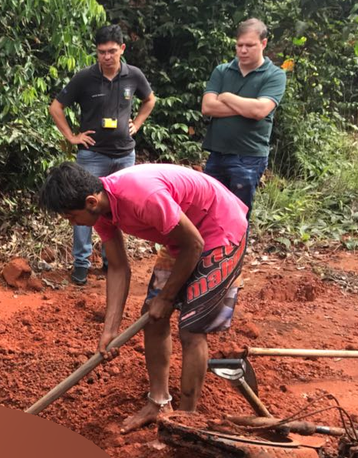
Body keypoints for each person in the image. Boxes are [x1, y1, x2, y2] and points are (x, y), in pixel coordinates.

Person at [39, 162, 249, 433]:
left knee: (192, 329)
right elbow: (117, 266)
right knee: (152, 316)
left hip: (219, 230)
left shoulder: (141, 196)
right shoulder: (102, 209)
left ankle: (186, 423)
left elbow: (194, 244)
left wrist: (168, 296)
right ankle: (159, 402)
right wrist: (110, 330)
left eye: (71, 216)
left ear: (90, 201)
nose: (72, 223)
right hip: (182, 237)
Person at [49, 24, 156, 286]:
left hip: (124, 156)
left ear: (122, 49)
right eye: (101, 52)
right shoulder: (84, 78)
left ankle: (112, 261)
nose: (106, 57)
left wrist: (138, 123)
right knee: (82, 209)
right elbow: (56, 107)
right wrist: (72, 137)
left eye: (111, 51)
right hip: (92, 156)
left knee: (119, 210)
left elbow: (150, 100)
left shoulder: (134, 76)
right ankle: (81, 264)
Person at [201, 18, 287, 216]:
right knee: (207, 212)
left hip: (249, 157)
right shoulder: (222, 71)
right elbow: (207, 107)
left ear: (263, 44)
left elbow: (259, 111)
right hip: (217, 154)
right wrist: (247, 106)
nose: (243, 50)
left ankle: (235, 249)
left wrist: (226, 97)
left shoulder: (274, 75)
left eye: (250, 45)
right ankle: (210, 249)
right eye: (239, 45)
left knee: (236, 216)